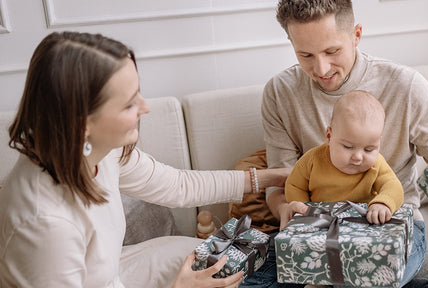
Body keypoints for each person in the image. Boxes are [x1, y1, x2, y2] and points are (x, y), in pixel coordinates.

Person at [241, 1, 428, 288]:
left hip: (393, 228)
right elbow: (281, 184)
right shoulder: (280, 93)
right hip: (320, 229)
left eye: (332, 51)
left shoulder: (406, 86)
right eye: (305, 54)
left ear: (356, 34)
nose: (321, 68)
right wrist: (288, 212)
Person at [0, 31, 291, 288]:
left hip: (113, 272)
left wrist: (272, 177)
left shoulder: (101, 150)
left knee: (218, 262)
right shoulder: (44, 224)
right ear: (82, 123)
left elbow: (178, 186)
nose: (145, 107)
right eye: (129, 103)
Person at [285, 90, 403, 225]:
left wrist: (383, 203)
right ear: (329, 136)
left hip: (363, 225)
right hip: (321, 223)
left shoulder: (377, 164)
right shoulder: (312, 160)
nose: (358, 157)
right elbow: (294, 185)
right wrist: (303, 208)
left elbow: (393, 185)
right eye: (348, 147)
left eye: (369, 149)